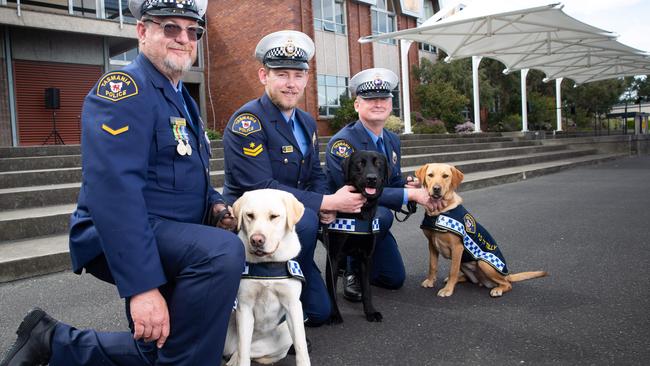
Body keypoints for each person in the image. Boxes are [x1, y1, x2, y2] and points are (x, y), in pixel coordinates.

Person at [0, 1, 245, 365]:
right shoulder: (124, 89)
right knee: (221, 253)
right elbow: (113, 192)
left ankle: (51, 341)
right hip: (120, 231)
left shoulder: (181, 98)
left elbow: (185, 172)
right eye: (170, 28)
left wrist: (215, 203)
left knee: (165, 346)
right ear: (142, 31)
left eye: (192, 31)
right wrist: (142, 287)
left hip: (172, 233)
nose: (183, 38)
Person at [222, 30, 365, 326]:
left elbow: (315, 173)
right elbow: (260, 187)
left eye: (298, 75)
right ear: (263, 76)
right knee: (308, 220)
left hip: (288, 232)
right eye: (282, 74)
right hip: (255, 229)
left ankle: (286, 295)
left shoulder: (306, 121)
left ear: (307, 79)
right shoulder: (248, 122)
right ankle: (259, 311)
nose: (291, 84)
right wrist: (324, 201)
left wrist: (326, 204)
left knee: (320, 313)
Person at [325, 68, 436, 302]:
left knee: (393, 279)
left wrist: (408, 186)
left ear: (390, 104)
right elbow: (355, 193)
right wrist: (410, 197)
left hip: (372, 219)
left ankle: (362, 263)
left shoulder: (391, 140)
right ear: (357, 105)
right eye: (370, 99)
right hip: (347, 220)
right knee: (383, 215)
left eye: (384, 98)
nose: (378, 103)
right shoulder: (343, 143)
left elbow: (390, 180)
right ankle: (350, 267)